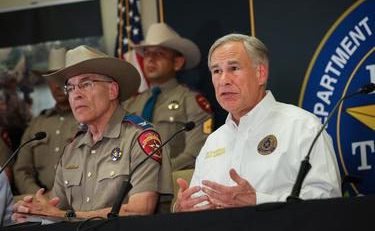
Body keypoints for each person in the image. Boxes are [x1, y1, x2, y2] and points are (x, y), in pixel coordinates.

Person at [174, 34, 341, 212]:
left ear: (260, 74)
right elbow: (197, 205)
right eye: (217, 71)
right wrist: (182, 209)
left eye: (234, 68)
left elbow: (329, 199)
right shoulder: (213, 142)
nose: (224, 80)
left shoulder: (302, 126)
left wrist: (259, 201)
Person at [12, 45, 172, 222]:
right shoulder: (72, 148)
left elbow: (140, 212)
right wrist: (33, 213)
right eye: (70, 88)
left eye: (86, 84)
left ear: (112, 90)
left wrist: (65, 215)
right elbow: (54, 212)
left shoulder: (140, 138)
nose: (75, 95)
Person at [123, 23, 213, 171]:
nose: (150, 59)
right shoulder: (131, 104)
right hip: (131, 187)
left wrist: (154, 173)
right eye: (146, 53)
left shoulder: (191, 101)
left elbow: (195, 154)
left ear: (177, 63)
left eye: (158, 53)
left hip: (174, 185)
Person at [13, 48, 81, 195]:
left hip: (81, 202)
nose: (57, 85)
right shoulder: (37, 124)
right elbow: (21, 170)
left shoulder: (90, 120)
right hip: (41, 204)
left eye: (61, 78)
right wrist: (39, 196)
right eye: (52, 79)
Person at [0, 71, 32, 148]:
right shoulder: (15, 98)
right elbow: (27, 117)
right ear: (8, 83)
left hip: (5, 132)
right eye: (13, 81)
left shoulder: (2, 96)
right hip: (18, 132)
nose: (15, 83)